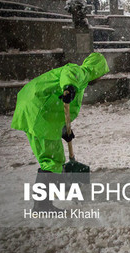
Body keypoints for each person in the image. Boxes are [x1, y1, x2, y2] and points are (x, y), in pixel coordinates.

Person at [11, 53, 110, 211]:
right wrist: (69, 87)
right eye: (102, 74)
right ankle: (42, 206)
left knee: (50, 158)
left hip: (35, 108)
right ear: (97, 71)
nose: (101, 78)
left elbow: (61, 108)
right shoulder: (80, 72)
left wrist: (64, 129)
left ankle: (43, 202)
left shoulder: (80, 81)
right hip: (38, 111)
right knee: (51, 160)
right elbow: (69, 75)